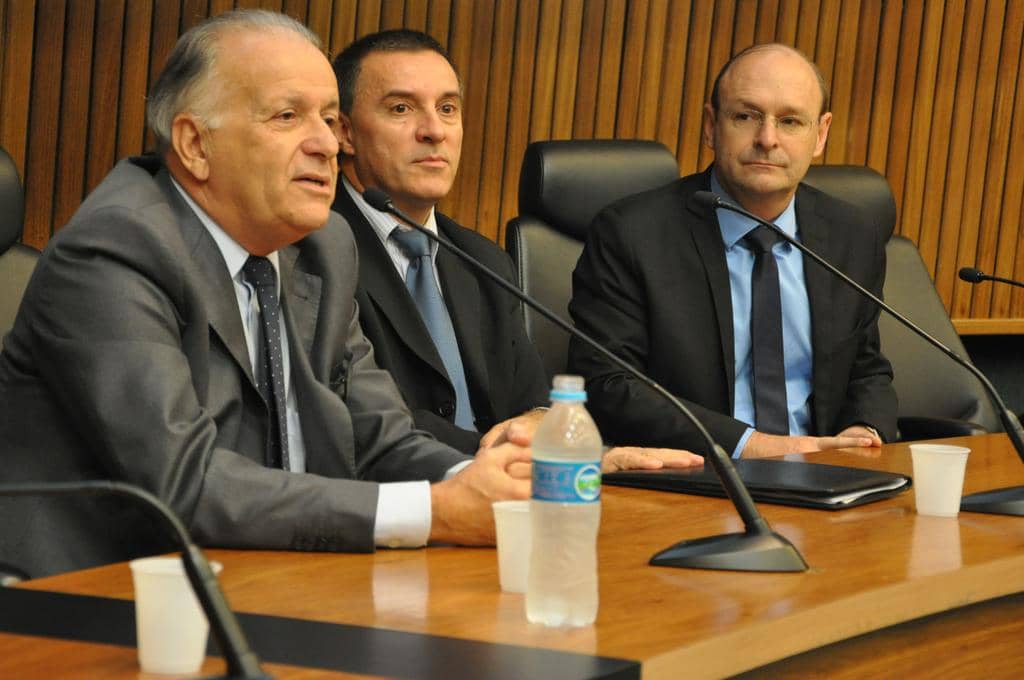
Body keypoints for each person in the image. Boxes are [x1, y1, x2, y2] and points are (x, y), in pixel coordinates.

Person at [0, 10, 529, 579]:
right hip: (89, 595)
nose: (327, 144)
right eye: (288, 116)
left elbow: (377, 439)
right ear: (195, 144)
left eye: (329, 119)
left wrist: (481, 485)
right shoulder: (116, 251)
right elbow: (184, 483)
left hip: (273, 578)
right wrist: (435, 512)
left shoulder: (324, 246)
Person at [331, 29, 703, 471]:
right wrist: (515, 459)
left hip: (509, 502)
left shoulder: (481, 260)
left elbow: (532, 402)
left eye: (447, 109)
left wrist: (540, 423)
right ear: (346, 133)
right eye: (401, 109)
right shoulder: (316, 253)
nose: (434, 131)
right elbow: (360, 417)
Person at [568, 44, 898, 459]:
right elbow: (609, 384)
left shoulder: (852, 235)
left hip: (825, 477)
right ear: (711, 126)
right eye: (746, 116)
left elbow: (865, 367)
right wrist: (754, 446)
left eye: (791, 121)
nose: (767, 139)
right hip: (695, 476)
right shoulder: (633, 234)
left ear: (821, 134)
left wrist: (860, 433)